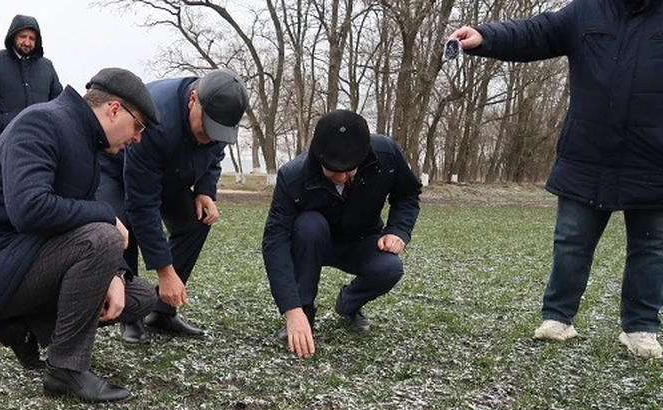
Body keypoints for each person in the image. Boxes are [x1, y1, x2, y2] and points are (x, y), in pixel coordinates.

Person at [449, 0, 663, 359]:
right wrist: (486, 36)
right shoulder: (586, 11)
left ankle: (641, 328)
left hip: (653, 158)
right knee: (571, 242)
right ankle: (558, 318)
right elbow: (535, 32)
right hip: (587, 155)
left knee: (651, 249)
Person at [0, 68, 160, 402]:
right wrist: (107, 217)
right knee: (103, 237)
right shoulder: (42, 122)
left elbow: (76, 216)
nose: (138, 138)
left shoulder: (85, 141)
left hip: (26, 256)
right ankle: (65, 370)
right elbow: (29, 209)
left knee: (140, 298)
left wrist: (115, 272)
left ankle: (24, 327)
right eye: (139, 126)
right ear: (115, 109)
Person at [96, 69, 249, 344]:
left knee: (195, 222)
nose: (208, 139)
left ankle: (163, 312)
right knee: (126, 228)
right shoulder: (157, 118)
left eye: (218, 134)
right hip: (118, 168)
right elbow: (142, 203)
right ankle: (131, 314)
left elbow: (214, 156)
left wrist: (204, 191)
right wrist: (165, 271)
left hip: (170, 172)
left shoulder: (219, 125)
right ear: (193, 100)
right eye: (206, 129)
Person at [261, 110, 422, 358]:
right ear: (317, 153)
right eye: (334, 170)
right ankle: (305, 313)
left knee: (390, 268)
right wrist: (292, 310)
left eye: (350, 170)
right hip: (313, 242)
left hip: (363, 241)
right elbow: (275, 241)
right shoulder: (292, 176)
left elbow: (408, 194)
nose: (342, 177)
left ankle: (349, 304)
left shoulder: (387, 154)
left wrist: (398, 230)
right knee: (309, 224)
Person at [0, 15, 63, 136]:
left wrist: (50, 125)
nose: (27, 42)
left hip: (42, 140)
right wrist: (2, 122)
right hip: (6, 140)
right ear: (13, 36)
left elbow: (59, 101)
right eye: (23, 37)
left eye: (32, 38)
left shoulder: (47, 66)